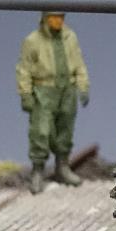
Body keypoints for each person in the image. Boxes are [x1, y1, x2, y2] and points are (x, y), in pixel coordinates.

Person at [16, 11, 90, 192]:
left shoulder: (70, 37)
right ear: (45, 19)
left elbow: (79, 63)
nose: (58, 21)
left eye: (61, 17)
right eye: (54, 17)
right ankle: (37, 170)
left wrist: (83, 86)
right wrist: (26, 94)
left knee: (65, 129)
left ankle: (62, 167)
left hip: (67, 90)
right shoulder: (33, 41)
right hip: (44, 90)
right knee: (41, 131)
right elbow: (24, 69)